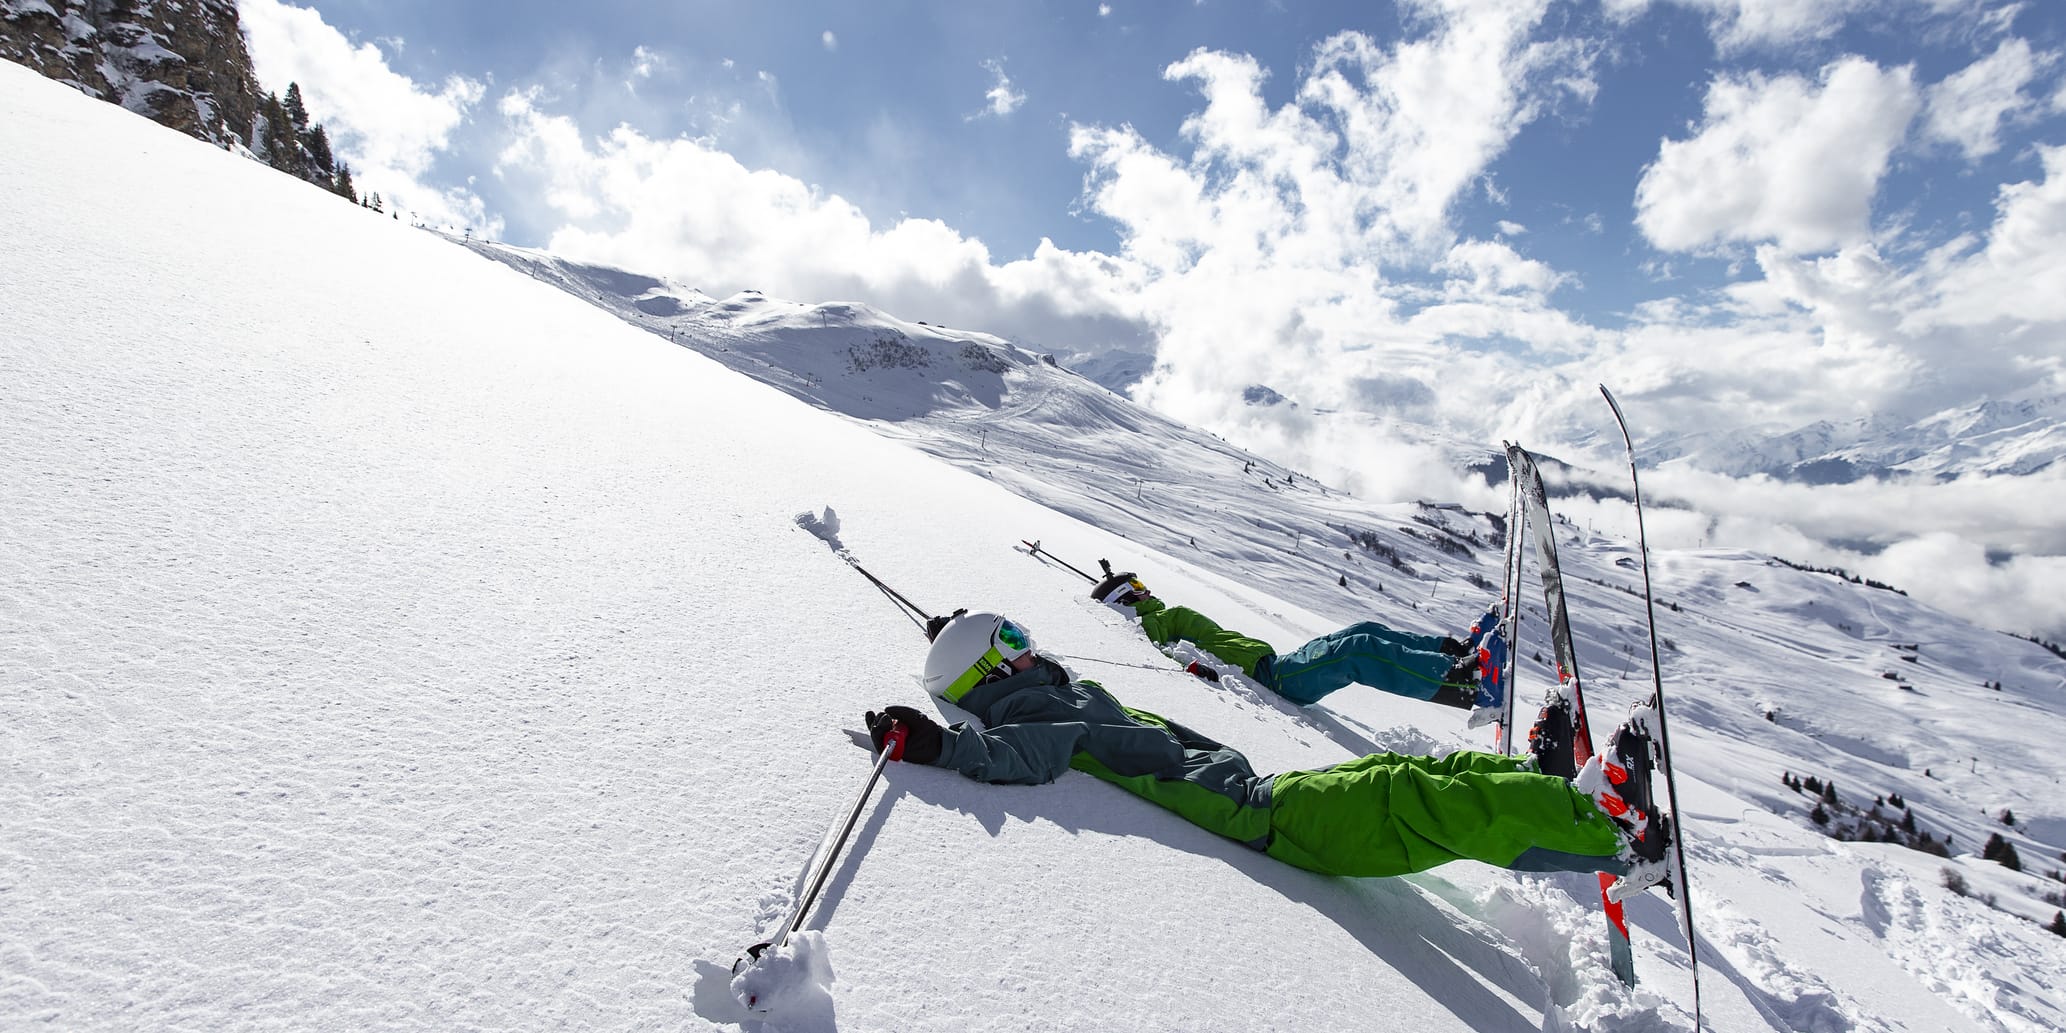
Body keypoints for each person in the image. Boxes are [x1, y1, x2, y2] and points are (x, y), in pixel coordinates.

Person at [867, 612, 1671, 897]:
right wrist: (942, 743)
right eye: (1011, 640)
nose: (1029, 644)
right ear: (992, 672)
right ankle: (1613, 832)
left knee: (1421, 774)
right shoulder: (1043, 718)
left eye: (1019, 631)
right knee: (1412, 798)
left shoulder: (1052, 689)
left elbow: (1032, 684)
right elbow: (1016, 756)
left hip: (1269, 788)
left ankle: (1545, 786)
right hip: (1267, 820)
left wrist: (960, 638)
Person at [1087, 566, 1500, 716]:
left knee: (1362, 630)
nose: (1145, 587)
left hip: (1275, 662)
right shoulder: (1145, 626)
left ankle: (1455, 652)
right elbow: (1163, 656)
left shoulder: (1158, 614)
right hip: (1273, 680)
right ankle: (1460, 685)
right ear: (1125, 599)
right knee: (1356, 653)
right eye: (1135, 584)